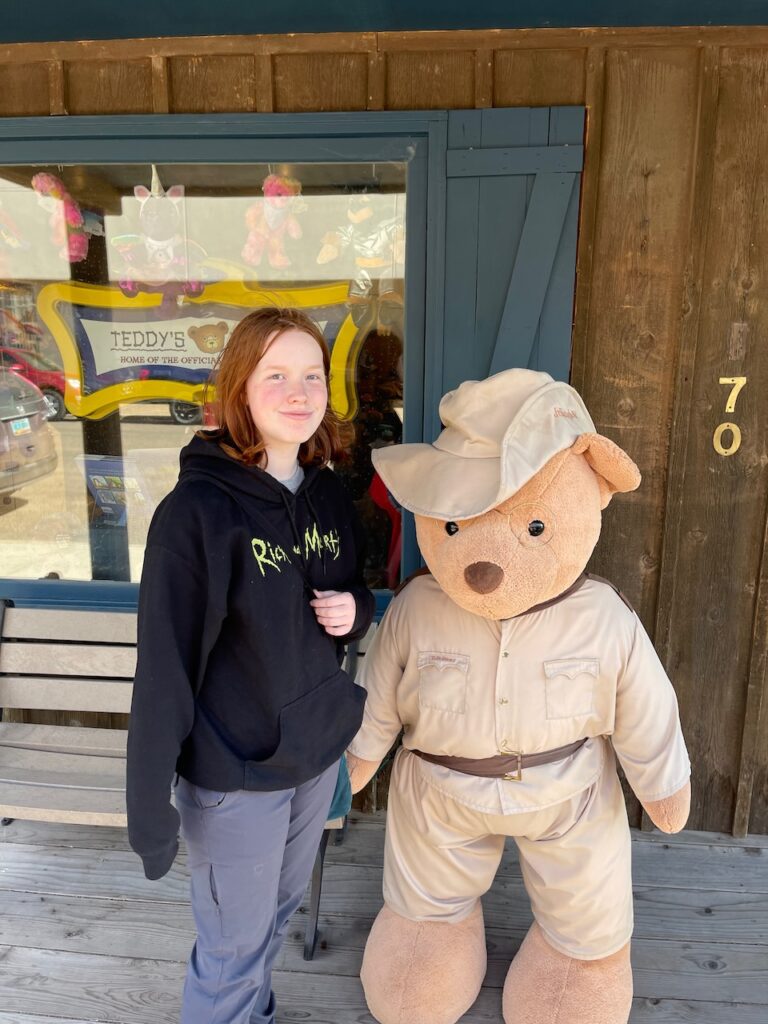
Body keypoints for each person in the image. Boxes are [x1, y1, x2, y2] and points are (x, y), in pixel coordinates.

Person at [126, 306, 374, 1024]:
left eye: (311, 375)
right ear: (239, 388)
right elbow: (164, 669)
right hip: (235, 774)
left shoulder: (327, 493)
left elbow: (353, 592)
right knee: (232, 947)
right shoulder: (197, 514)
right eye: (276, 376)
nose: (299, 392)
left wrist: (356, 610)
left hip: (312, 756)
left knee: (273, 917)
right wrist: (148, 811)